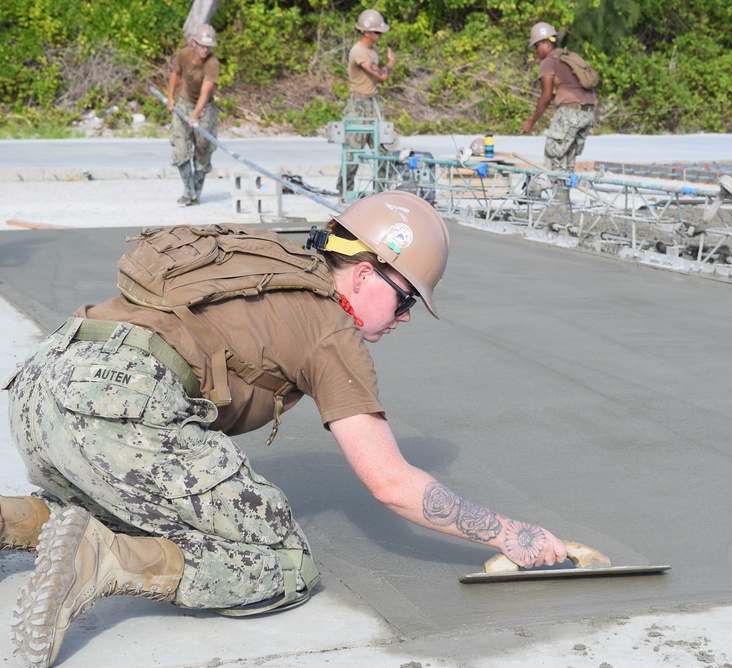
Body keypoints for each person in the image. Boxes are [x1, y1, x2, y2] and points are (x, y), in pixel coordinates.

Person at [3, 191, 567, 668]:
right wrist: (509, 535)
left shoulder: (271, 263)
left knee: (135, 502)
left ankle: (16, 520)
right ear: (367, 274)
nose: (405, 318)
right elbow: (390, 482)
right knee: (284, 563)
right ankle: (105, 561)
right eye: (403, 300)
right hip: (118, 410)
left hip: (42, 386)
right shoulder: (331, 330)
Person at [520, 22, 597, 179]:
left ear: (546, 43)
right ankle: (563, 201)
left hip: (570, 114)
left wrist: (531, 122)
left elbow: (546, 96)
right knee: (567, 162)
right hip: (587, 114)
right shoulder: (567, 57)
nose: (535, 51)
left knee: (554, 160)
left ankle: (557, 202)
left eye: (536, 46)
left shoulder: (548, 61)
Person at [338, 9, 396, 196]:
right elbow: (382, 75)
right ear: (366, 32)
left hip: (373, 103)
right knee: (353, 152)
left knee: (383, 148)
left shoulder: (372, 51)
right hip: (358, 105)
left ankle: (381, 191)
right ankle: (344, 192)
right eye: (377, 32)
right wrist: (390, 64)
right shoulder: (358, 52)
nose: (380, 35)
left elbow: (377, 78)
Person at [166, 23, 220, 207]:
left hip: (205, 108)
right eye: (203, 45)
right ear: (194, 43)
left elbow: (206, 92)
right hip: (184, 103)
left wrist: (196, 114)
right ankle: (188, 191)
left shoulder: (212, 64)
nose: (205, 50)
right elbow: (175, 73)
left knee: (203, 148)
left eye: (209, 47)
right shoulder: (184, 55)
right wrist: (170, 98)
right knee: (180, 147)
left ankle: (197, 190)